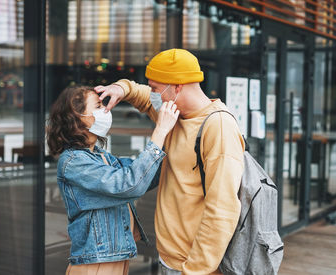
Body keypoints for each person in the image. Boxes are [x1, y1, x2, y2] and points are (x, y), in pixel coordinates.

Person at [95, 48, 245, 275]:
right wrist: (120, 88)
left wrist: (194, 270)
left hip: (191, 266)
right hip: (169, 258)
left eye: (156, 88)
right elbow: (140, 93)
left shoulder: (218, 127)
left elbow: (222, 209)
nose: (152, 95)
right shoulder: (173, 111)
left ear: (177, 86)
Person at [46, 85, 179, 275]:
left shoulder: (102, 157)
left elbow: (145, 176)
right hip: (96, 263)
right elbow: (129, 184)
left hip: (114, 257)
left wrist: (172, 136)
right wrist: (159, 133)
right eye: (98, 106)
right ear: (77, 117)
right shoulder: (73, 162)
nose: (105, 111)